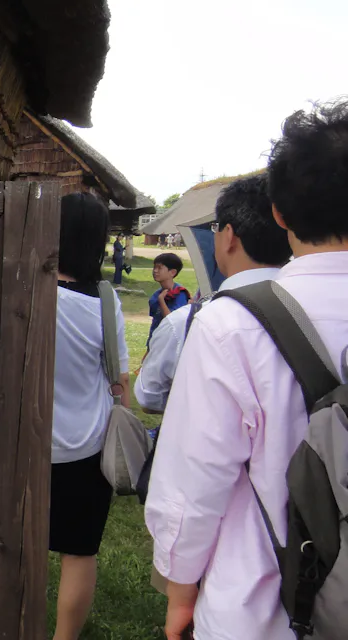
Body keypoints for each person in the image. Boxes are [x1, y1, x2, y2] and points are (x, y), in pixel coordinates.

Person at [145, 98, 348, 639]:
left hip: (264, 608)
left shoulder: (235, 325)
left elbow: (194, 482)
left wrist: (180, 592)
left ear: (279, 214)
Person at [134, 173, 291, 414]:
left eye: (215, 228)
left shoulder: (184, 324)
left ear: (228, 236)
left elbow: (149, 396)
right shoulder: (325, 313)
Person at [48, 192, 130, 640]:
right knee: (79, 552)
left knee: (12, 541)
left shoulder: (23, 288)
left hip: (23, 440)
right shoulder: (105, 300)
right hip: (89, 445)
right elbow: (118, 374)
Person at [146, 252, 191, 346]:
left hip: (171, 345)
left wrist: (162, 301)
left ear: (172, 272)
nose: (155, 271)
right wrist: (149, 346)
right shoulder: (155, 296)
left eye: (159, 268)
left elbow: (173, 322)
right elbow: (155, 323)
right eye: (154, 267)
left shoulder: (180, 294)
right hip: (156, 342)